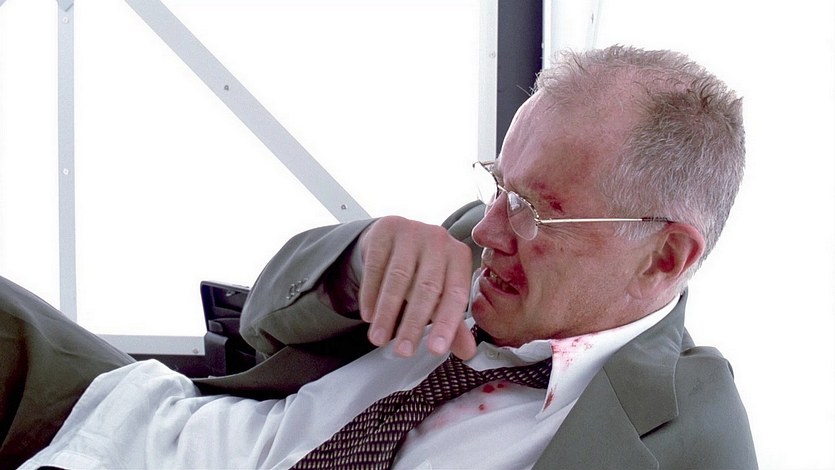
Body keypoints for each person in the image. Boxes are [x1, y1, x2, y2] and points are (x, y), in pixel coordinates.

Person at [4, 45, 757, 469]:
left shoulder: (689, 431)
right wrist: (355, 263)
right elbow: (259, 327)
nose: (490, 230)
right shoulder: (471, 244)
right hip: (130, 422)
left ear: (664, 256)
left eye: (539, 210)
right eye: (500, 184)